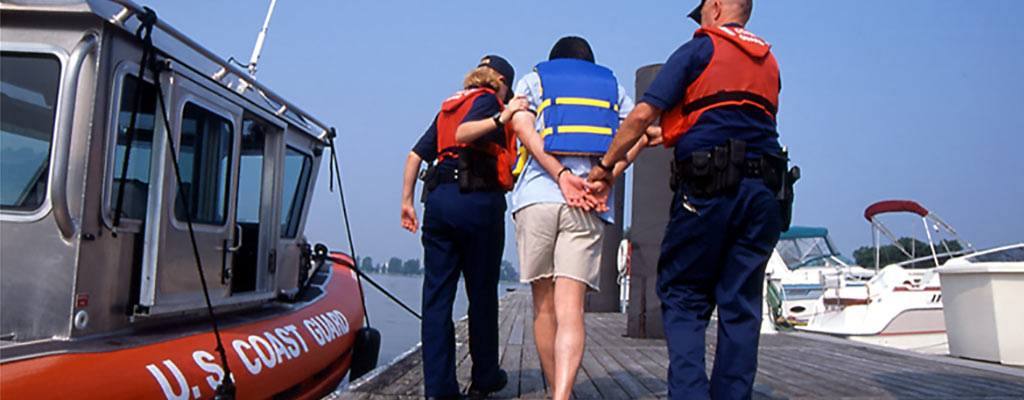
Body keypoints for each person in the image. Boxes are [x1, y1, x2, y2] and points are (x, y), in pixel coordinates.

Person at [587, 1, 789, 399]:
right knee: (740, 303)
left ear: (714, 7)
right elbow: (717, 119)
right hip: (765, 192)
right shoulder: (769, 63)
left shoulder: (699, 50)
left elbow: (643, 116)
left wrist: (605, 167)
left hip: (710, 190)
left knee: (684, 295)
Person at [507, 36, 657, 400]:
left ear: (553, 61)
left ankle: (555, 389)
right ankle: (562, 396)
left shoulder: (533, 81)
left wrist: (559, 174)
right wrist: (606, 176)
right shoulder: (614, 89)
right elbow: (638, 133)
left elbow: (523, 129)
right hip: (588, 201)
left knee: (543, 304)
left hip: (538, 199)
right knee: (571, 308)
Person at [400, 55, 528, 400]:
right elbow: (465, 133)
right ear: (499, 80)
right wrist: (505, 113)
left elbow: (416, 154)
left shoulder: (450, 105)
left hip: (438, 203)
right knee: (482, 293)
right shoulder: (489, 100)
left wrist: (407, 202)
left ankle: (439, 391)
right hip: (476, 202)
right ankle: (485, 375)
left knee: (437, 299)